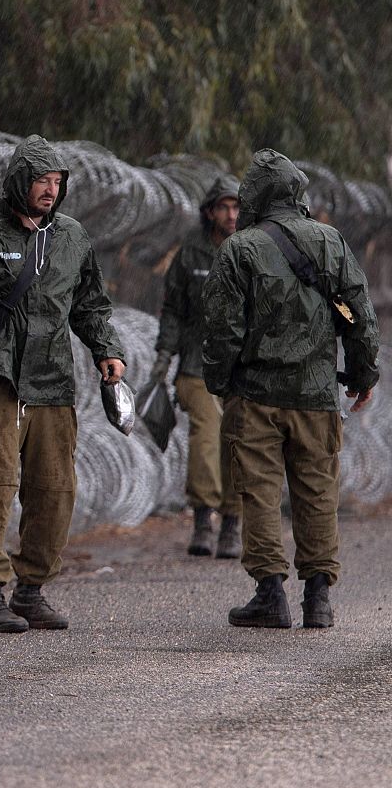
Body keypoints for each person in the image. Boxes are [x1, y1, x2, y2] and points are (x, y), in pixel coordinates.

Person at [0, 134, 127, 634]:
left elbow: (89, 304)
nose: (49, 190)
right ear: (20, 182)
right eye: (41, 180)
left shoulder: (71, 238)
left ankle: (31, 590)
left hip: (53, 383)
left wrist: (106, 349)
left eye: (56, 182)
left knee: (54, 491)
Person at [202, 149, 379, 629]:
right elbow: (359, 315)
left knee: (258, 492)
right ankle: (318, 599)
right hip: (316, 393)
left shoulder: (238, 249)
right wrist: (363, 374)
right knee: (317, 491)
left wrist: (221, 383)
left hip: (255, 394)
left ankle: (270, 594)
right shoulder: (330, 242)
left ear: (254, 195)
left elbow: (221, 329)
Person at [151, 175, 242, 557]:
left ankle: (232, 525)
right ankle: (204, 520)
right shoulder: (190, 254)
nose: (231, 215)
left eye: (236, 207)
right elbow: (172, 311)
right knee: (205, 441)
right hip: (196, 364)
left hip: (240, 367)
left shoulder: (249, 250)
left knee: (237, 444)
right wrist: (161, 360)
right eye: (224, 207)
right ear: (209, 212)